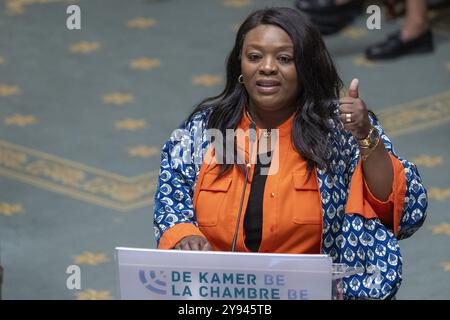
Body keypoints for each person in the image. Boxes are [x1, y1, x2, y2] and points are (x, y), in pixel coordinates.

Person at [153, 7, 427, 299]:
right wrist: (184, 235)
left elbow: (403, 211)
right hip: (220, 294)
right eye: (254, 56)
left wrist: (365, 135)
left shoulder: (334, 132)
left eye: (284, 59)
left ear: (306, 67)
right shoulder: (211, 129)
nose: (267, 67)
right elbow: (173, 194)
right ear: (240, 66)